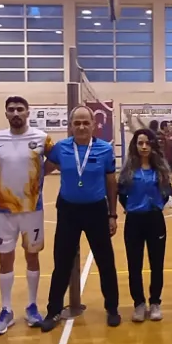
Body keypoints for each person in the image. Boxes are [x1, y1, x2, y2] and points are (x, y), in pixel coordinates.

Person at [40, 106, 121, 332]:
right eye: (77, 123)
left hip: (96, 211)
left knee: (105, 261)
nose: (82, 127)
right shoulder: (61, 148)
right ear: (70, 126)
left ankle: (112, 308)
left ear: (94, 125)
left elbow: (111, 183)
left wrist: (112, 214)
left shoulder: (105, 149)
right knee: (62, 262)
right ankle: (53, 310)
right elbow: (42, 170)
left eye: (86, 122)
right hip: (68, 211)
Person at [0, 96, 51, 336]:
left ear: (27, 112)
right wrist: (0, 180)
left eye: (20, 109)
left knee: (32, 256)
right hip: (5, 210)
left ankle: (32, 307)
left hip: (33, 209)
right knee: (5, 258)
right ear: (6, 113)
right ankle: (6, 310)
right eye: (11, 109)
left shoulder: (41, 138)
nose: (15, 113)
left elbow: (55, 160)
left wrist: (38, 179)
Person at [118, 128, 172, 323]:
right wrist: (133, 207)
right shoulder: (127, 171)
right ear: (135, 145)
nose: (144, 147)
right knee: (134, 265)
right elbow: (122, 194)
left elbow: (165, 193)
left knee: (157, 264)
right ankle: (139, 303)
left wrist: (155, 206)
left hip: (155, 220)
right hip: (134, 221)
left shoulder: (161, 170)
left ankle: (155, 302)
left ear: (153, 145)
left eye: (147, 143)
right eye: (140, 143)